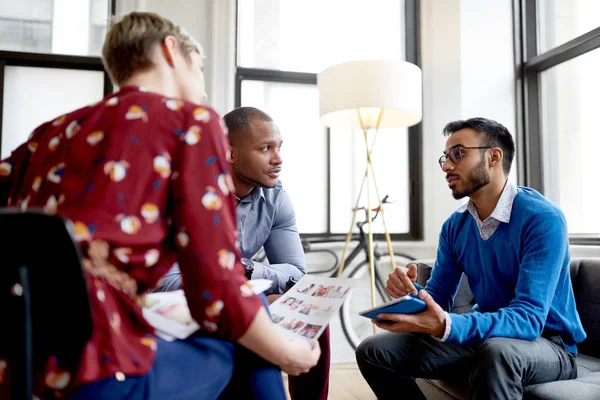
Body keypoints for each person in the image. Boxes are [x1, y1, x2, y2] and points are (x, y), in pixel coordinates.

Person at [0, 12, 319, 400]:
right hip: (103, 366)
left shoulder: (46, 134)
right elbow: (219, 291)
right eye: (199, 67)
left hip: (24, 363)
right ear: (171, 51)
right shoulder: (189, 122)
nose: (202, 87)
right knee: (248, 324)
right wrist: (290, 353)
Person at [356, 117, 586, 400]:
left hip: (549, 345)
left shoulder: (542, 219)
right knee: (374, 350)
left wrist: (447, 325)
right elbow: (439, 295)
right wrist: (412, 296)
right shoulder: (455, 226)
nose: (447, 166)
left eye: (458, 154)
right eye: (445, 157)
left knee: (498, 351)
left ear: (493, 156)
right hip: (489, 337)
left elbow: (528, 319)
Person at [158, 106, 332, 400]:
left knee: (313, 316)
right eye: (266, 148)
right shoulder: (189, 194)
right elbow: (167, 282)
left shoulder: (275, 197)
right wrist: (239, 288)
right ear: (230, 153)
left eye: (279, 147)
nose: (278, 159)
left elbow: (295, 271)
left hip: (239, 291)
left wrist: (247, 271)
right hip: (183, 303)